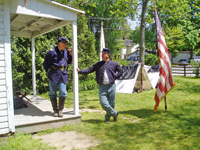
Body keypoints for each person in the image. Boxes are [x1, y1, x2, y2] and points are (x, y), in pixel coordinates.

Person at [77, 48, 123, 123]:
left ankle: (107, 118)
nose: (102, 55)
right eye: (102, 53)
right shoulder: (98, 64)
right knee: (104, 103)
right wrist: (80, 71)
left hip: (112, 86)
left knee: (111, 103)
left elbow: (121, 71)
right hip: (102, 87)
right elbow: (89, 70)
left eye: (104, 53)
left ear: (108, 55)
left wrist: (116, 76)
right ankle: (115, 113)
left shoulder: (114, 64)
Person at [43, 37, 72, 117]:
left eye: (66, 44)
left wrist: (71, 55)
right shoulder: (51, 52)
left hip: (63, 74)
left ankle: (60, 110)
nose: (66, 45)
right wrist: (49, 73)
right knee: (52, 93)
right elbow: (45, 64)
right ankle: (55, 110)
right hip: (54, 74)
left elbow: (68, 61)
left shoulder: (66, 51)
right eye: (65, 44)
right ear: (59, 44)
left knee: (63, 92)